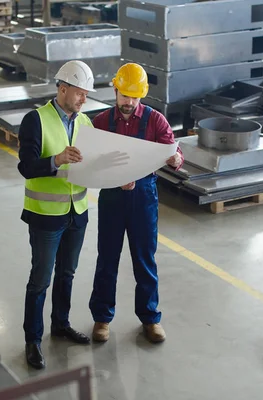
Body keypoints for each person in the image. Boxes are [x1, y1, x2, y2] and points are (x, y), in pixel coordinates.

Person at [89, 62, 184, 344]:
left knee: (144, 260)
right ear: (115, 90)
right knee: (107, 259)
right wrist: (114, 177)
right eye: (124, 95)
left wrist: (176, 158)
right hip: (112, 197)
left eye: (134, 96)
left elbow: (172, 148)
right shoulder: (101, 122)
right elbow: (91, 161)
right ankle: (102, 318)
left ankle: (150, 318)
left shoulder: (155, 121)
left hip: (143, 197)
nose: (128, 102)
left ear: (141, 95)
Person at [17, 60, 96, 369]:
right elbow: (26, 167)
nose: (83, 100)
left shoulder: (85, 123)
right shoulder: (35, 120)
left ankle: (60, 324)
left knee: (67, 274)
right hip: (46, 216)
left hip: (78, 212)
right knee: (40, 280)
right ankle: (32, 339)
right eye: (79, 93)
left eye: (86, 95)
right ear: (63, 89)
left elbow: (92, 163)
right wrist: (57, 160)